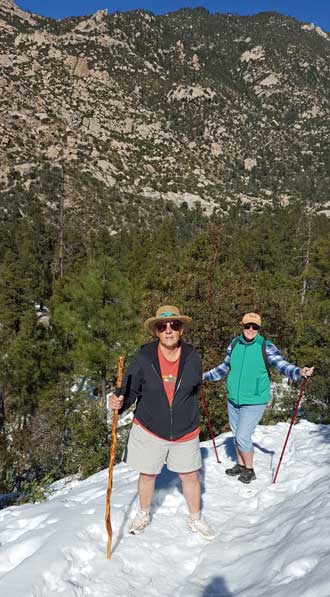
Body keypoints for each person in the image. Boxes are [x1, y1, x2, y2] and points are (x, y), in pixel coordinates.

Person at [108, 305, 216, 540]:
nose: (169, 330)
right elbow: (130, 389)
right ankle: (144, 513)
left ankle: (195, 518)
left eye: (174, 325)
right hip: (149, 428)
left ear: (181, 330)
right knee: (147, 475)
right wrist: (118, 402)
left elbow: (195, 388)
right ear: (156, 331)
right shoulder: (144, 357)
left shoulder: (193, 357)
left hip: (185, 430)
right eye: (163, 326)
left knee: (190, 477)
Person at [203, 312, 314, 484]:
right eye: (247, 326)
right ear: (242, 326)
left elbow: (282, 365)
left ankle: (249, 469)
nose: (250, 330)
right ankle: (240, 465)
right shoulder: (234, 344)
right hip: (233, 398)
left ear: (259, 329)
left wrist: (299, 371)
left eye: (255, 327)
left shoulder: (265, 346)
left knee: (242, 436)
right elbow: (224, 367)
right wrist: (204, 376)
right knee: (236, 434)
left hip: (254, 400)